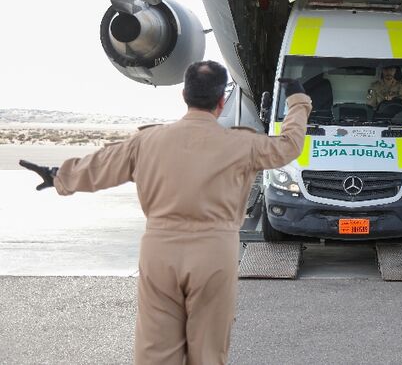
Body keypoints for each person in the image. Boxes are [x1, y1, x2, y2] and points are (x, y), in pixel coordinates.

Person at [18, 61, 312, 364]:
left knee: (156, 351)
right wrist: (297, 102)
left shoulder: (148, 141)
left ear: (184, 94)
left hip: (160, 251)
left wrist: (58, 177)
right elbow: (289, 146)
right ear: (221, 101)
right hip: (214, 253)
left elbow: (100, 167)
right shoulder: (243, 144)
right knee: (209, 352)